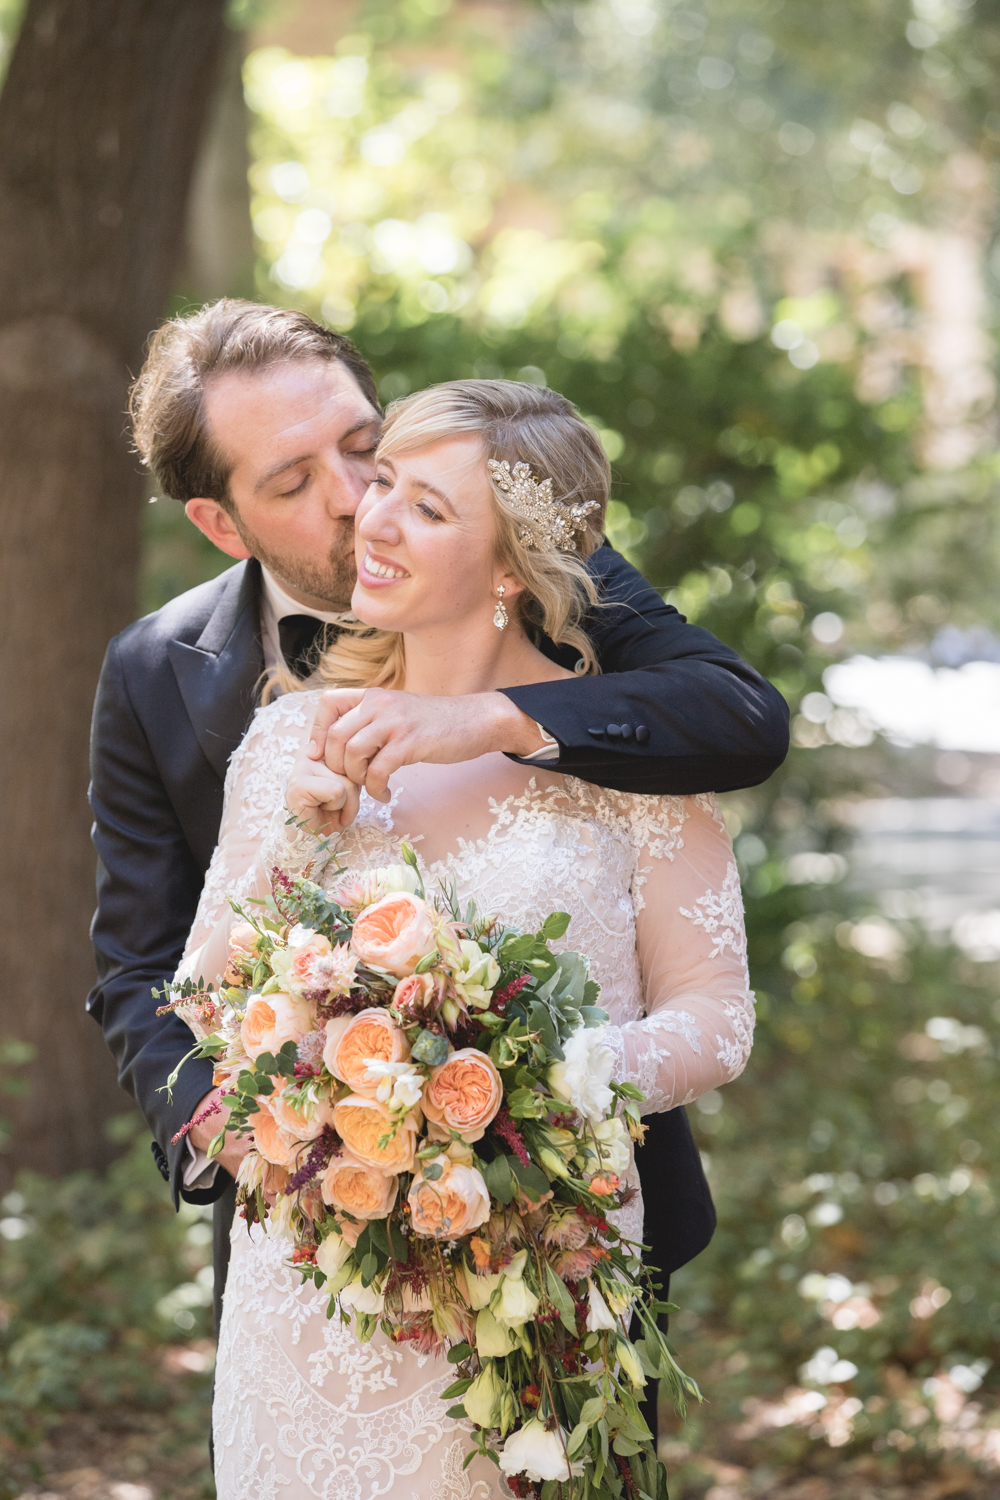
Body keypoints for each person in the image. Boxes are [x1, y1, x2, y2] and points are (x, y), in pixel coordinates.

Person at [86, 298, 785, 1394]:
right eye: (291, 481)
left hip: (564, 1242)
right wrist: (259, 1141)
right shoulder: (164, 676)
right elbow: (149, 968)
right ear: (223, 522)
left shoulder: (518, 531)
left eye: (365, 448)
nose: (360, 500)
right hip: (310, 1240)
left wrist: (497, 720)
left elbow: (737, 716)